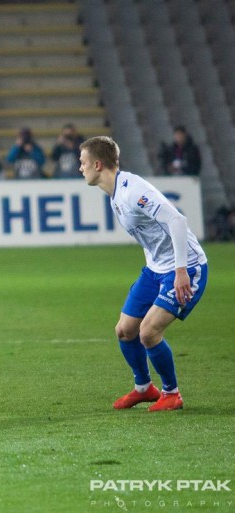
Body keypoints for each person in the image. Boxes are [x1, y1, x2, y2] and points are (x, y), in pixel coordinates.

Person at [79, 136, 208, 412]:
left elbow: (177, 220)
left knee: (148, 332)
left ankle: (172, 394)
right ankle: (144, 388)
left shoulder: (132, 191)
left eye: (83, 162)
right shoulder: (115, 193)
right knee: (125, 331)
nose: (80, 168)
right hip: (155, 270)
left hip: (186, 268)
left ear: (98, 165)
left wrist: (181, 269)